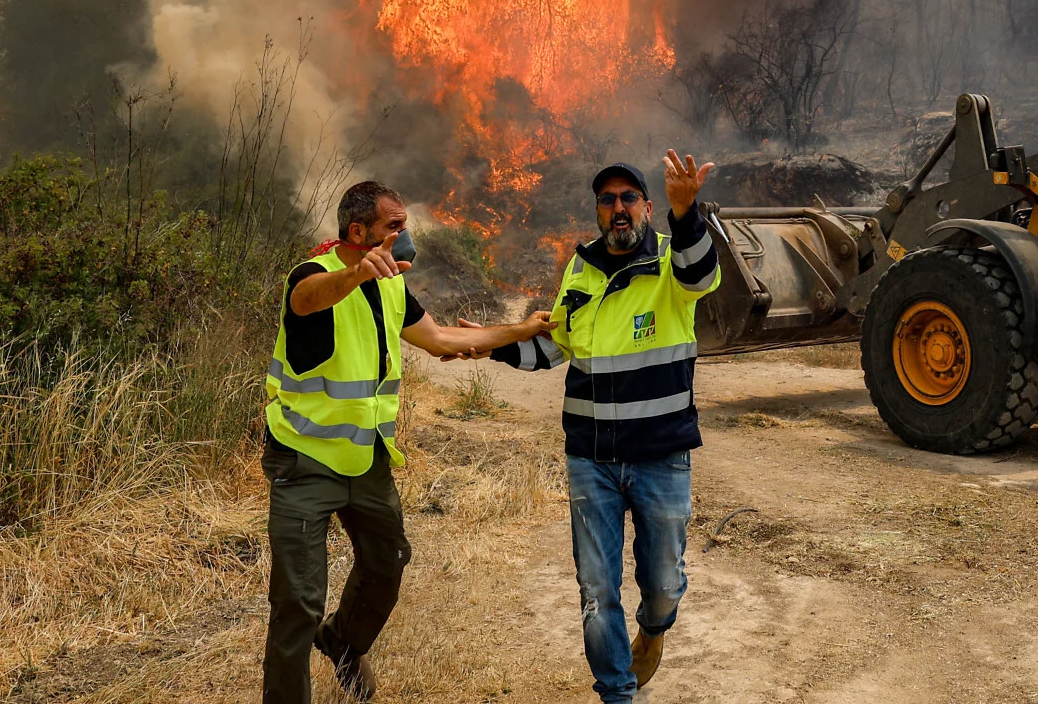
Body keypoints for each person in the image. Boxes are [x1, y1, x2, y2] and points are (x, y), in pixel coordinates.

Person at [263, 179, 552, 704]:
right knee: (298, 602)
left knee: (388, 562)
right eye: (394, 227)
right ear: (359, 232)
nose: (405, 236)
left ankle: (343, 642)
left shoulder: (394, 283)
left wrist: (520, 330)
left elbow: (441, 339)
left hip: (367, 460)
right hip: (303, 461)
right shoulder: (312, 274)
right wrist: (354, 273)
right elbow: (307, 300)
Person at [488, 149, 721, 704]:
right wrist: (489, 343)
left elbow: (703, 273)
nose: (618, 209)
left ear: (645, 206)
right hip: (591, 458)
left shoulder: (671, 259)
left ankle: (654, 630)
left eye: (628, 199)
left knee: (663, 585)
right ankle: (617, 693)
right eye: (607, 200)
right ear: (597, 210)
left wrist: (686, 211)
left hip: (661, 455)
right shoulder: (580, 268)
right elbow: (554, 347)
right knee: (596, 590)